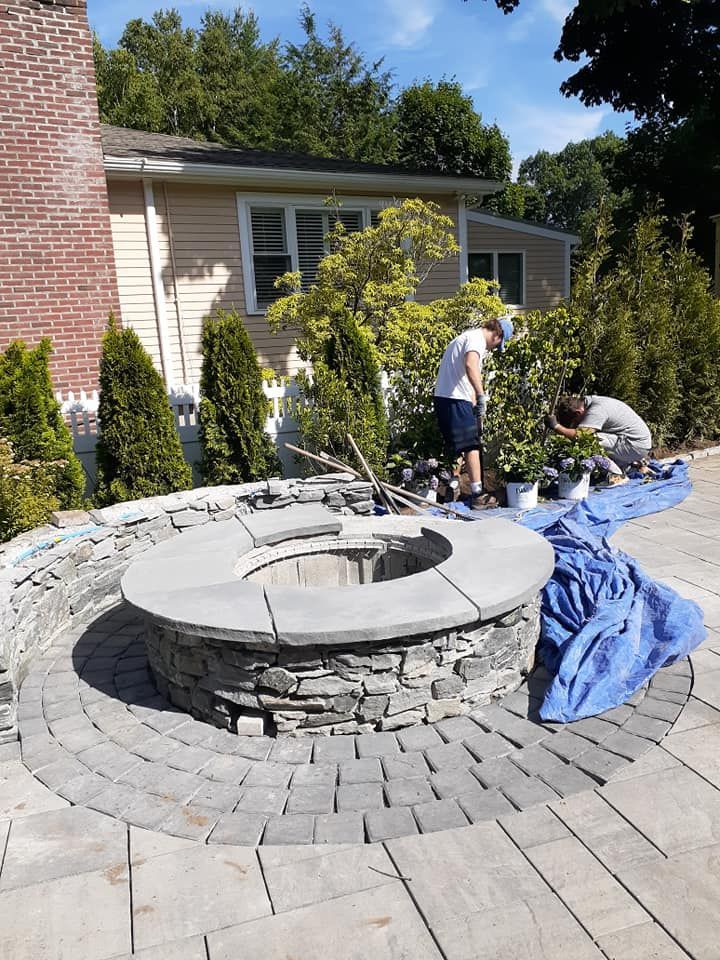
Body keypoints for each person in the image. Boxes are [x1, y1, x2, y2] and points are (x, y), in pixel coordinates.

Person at [434, 317, 514, 508]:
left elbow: (464, 375)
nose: (494, 348)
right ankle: (478, 495)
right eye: (498, 344)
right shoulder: (477, 340)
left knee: (459, 445)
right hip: (454, 398)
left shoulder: (466, 337)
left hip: (446, 397)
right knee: (471, 446)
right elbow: (471, 366)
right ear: (497, 334)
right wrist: (481, 395)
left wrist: (475, 409)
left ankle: (453, 485)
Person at [546, 395, 652, 474]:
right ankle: (632, 465)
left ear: (578, 413)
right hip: (635, 441)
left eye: (575, 423)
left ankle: (616, 476)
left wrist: (556, 427)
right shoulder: (590, 401)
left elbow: (580, 436)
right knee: (597, 440)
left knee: (590, 441)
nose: (576, 426)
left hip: (636, 445)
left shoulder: (596, 411)